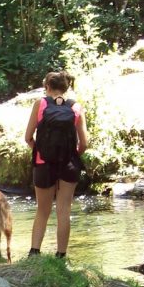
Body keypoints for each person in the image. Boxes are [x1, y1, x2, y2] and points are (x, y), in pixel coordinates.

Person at [24, 70, 89, 259]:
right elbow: (84, 143)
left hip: (43, 164)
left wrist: (40, 151)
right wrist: (72, 156)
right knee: (64, 211)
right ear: (66, 87)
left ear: (47, 87)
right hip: (68, 165)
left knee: (42, 211)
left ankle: (34, 253)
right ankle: (61, 256)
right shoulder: (76, 108)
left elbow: (28, 137)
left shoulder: (40, 104)